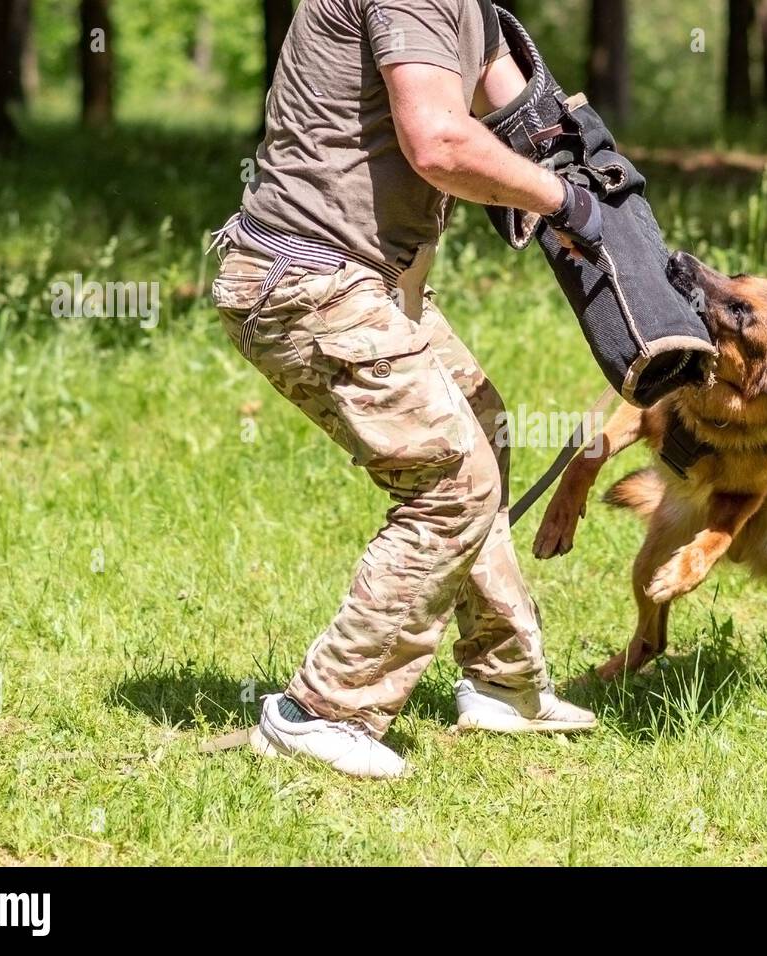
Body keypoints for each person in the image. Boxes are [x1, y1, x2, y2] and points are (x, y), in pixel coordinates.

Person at [209, 0, 603, 779]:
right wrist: (563, 203)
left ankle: (504, 684)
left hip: (369, 281)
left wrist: (602, 190)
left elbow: (520, 111)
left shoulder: (468, 8)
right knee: (450, 480)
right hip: (307, 282)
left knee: (479, 426)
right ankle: (320, 711)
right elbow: (439, 141)